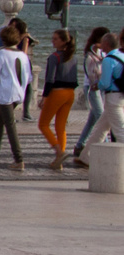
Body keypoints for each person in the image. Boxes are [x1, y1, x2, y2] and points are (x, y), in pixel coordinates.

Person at [0, 26, 32, 170]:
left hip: (6, 95)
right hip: (19, 94)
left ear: (3, 40)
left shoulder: (2, 53)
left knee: (10, 125)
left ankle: (19, 160)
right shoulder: (23, 55)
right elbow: (29, 77)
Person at [76, 29, 124, 170]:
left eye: (102, 43)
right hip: (122, 96)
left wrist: (97, 85)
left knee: (120, 131)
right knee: (101, 128)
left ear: (106, 44)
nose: (100, 45)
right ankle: (86, 157)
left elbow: (105, 83)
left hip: (113, 98)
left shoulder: (109, 59)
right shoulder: (122, 56)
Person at [39, 29, 79, 171]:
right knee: (60, 127)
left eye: (55, 39)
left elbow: (49, 80)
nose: (52, 41)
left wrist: (44, 97)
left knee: (43, 124)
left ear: (63, 41)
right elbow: (75, 79)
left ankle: (59, 152)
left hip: (57, 93)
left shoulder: (54, 57)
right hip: (70, 94)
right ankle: (58, 161)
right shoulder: (73, 58)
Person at [72, 27, 113, 159]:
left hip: (101, 88)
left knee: (92, 119)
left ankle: (79, 145)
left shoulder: (104, 52)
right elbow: (93, 71)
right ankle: (105, 147)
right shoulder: (92, 52)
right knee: (102, 117)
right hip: (92, 87)